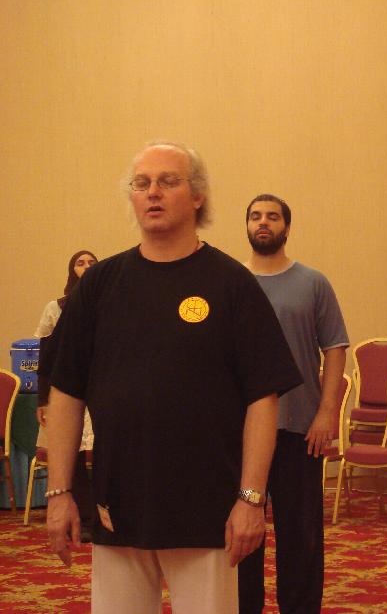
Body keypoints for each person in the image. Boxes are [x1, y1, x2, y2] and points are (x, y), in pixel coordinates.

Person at [46, 142, 302, 614]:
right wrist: (59, 492)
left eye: (168, 181)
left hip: (207, 510)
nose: (153, 192)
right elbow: (65, 393)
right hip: (118, 504)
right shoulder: (100, 286)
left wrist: (251, 499)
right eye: (141, 183)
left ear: (198, 195)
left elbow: (263, 399)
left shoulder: (232, 284)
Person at [238, 193, 349, 614]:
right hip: (240, 432)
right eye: (255, 216)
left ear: (287, 227)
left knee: (301, 536)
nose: (263, 222)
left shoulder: (313, 283)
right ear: (247, 226)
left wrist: (327, 412)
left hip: (300, 429)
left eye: (272, 216)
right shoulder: (232, 281)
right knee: (241, 531)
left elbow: (335, 347)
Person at [35, 249, 99, 540]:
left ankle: (104, 515)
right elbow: (46, 357)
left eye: (91, 263)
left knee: (102, 454)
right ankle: (83, 518)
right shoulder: (56, 307)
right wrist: (43, 399)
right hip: (68, 391)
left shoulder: (107, 302)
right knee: (73, 455)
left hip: (99, 389)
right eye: (80, 263)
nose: (86, 267)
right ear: (71, 270)